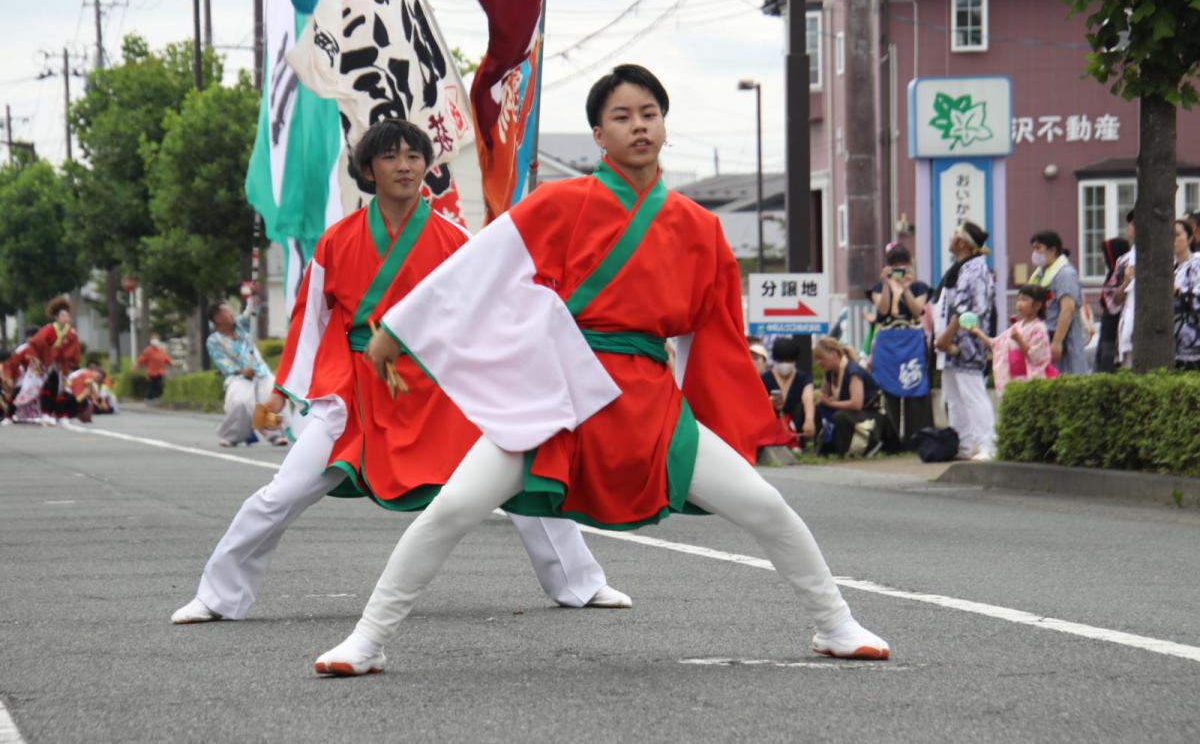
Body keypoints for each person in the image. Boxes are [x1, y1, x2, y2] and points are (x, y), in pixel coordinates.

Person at [312, 64, 889, 676]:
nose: (639, 126)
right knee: (453, 507)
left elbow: (714, 337)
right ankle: (367, 639)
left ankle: (836, 622)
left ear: (663, 126)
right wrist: (400, 329)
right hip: (556, 389)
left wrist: (725, 418)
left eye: (649, 114)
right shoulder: (561, 202)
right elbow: (479, 265)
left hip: (647, 402)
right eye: (622, 116)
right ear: (598, 135)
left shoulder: (701, 227)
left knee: (764, 505)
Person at [171, 119, 628, 628]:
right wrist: (280, 397)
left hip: (441, 390)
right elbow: (310, 323)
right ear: (369, 170)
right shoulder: (336, 242)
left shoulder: (456, 238)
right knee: (282, 491)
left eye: (415, 156)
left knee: (519, 472)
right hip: (357, 394)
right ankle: (218, 595)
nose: (405, 166)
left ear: (428, 167)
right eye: (392, 157)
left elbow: (491, 310)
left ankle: (580, 583)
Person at [933, 222, 996, 461]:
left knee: (972, 394)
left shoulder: (974, 270)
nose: (950, 239)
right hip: (950, 344)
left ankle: (988, 444)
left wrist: (946, 336)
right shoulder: (962, 267)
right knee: (953, 397)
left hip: (966, 343)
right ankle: (964, 443)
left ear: (962, 243)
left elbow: (968, 310)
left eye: (953, 235)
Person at [868, 243, 933, 448]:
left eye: (903, 265)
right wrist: (887, 284)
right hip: (887, 341)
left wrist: (906, 288)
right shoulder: (879, 288)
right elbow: (883, 310)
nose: (899, 270)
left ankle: (919, 438)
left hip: (912, 340)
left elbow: (917, 311)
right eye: (895, 266)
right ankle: (891, 440)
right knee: (887, 390)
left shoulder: (919, 287)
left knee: (916, 388)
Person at [206, 300, 287, 447]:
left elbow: (251, 311)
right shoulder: (213, 340)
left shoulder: (241, 326)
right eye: (226, 311)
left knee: (271, 396)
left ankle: (274, 434)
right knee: (240, 402)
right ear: (217, 317)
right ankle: (233, 435)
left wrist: (253, 295)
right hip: (237, 377)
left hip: (261, 373)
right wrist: (241, 371)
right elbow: (222, 361)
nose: (231, 313)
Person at [968, 285, 1056, 396]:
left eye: (1024, 299)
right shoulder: (1017, 326)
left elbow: (1037, 357)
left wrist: (1019, 340)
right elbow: (996, 344)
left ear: (1037, 305)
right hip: (1014, 379)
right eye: (1019, 299)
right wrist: (977, 332)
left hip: (1028, 379)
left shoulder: (1039, 328)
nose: (1019, 303)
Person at [812, 336, 889, 457]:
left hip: (871, 412)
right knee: (818, 409)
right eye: (816, 360)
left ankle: (848, 450)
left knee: (840, 416)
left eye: (821, 358)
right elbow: (824, 396)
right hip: (852, 411)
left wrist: (831, 403)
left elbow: (856, 404)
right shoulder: (829, 373)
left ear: (834, 354)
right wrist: (823, 400)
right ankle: (823, 448)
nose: (818, 363)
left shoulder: (853, 371)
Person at [1028, 231, 1088, 375]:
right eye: (1033, 249)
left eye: (1038, 248)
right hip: (1044, 338)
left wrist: (1057, 342)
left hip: (1064, 342)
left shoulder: (1065, 274)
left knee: (1067, 378)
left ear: (1053, 250)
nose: (1035, 253)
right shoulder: (1041, 273)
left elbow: (1067, 309)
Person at [28, 297, 82, 423]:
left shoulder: (71, 332)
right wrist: (46, 357)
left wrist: (68, 358)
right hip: (48, 363)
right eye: (63, 315)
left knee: (61, 389)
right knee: (48, 388)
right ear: (56, 317)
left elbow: (74, 348)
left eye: (67, 316)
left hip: (61, 364)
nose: (66, 318)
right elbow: (36, 342)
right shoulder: (48, 329)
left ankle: (61, 414)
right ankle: (46, 413)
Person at [759, 337, 815, 449]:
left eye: (789, 360)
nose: (785, 364)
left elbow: (808, 398)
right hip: (772, 421)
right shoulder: (765, 379)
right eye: (781, 360)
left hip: (795, 421)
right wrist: (771, 403)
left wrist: (809, 419)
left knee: (801, 408)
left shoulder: (803, 378)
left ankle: (798, 444)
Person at [1095, 237, 1131, 373]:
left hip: (1115, 327)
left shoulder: (1121, 274)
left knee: (1109, 364)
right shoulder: (1112, 274)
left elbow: (1112, 303)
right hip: (1108, 326)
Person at [1173, 218, 1200, 370]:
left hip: (1193, 343)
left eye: (1177, 235)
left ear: (1189, 238)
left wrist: (1178, 291)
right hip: (1172, 342)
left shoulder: (1197, 262)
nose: (1173, 240)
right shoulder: (1170, 266)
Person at [1114, 211, 1137, 369]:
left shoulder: (1167, 257)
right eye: (1132, 223)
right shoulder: (1123, 260)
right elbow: (1116, 299)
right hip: (1128, 324)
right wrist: (1127, 281)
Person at [137, 336, 175, 401]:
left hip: (160, 372)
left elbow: (166, 358)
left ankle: (158, 397)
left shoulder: (161, 351)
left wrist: (171, 363)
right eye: (154, 340)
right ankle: (149, 398)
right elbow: (142, 359)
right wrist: (137, 366)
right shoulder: (148, 351)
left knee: (159, 385)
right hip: (151, 372)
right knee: (152, 385)